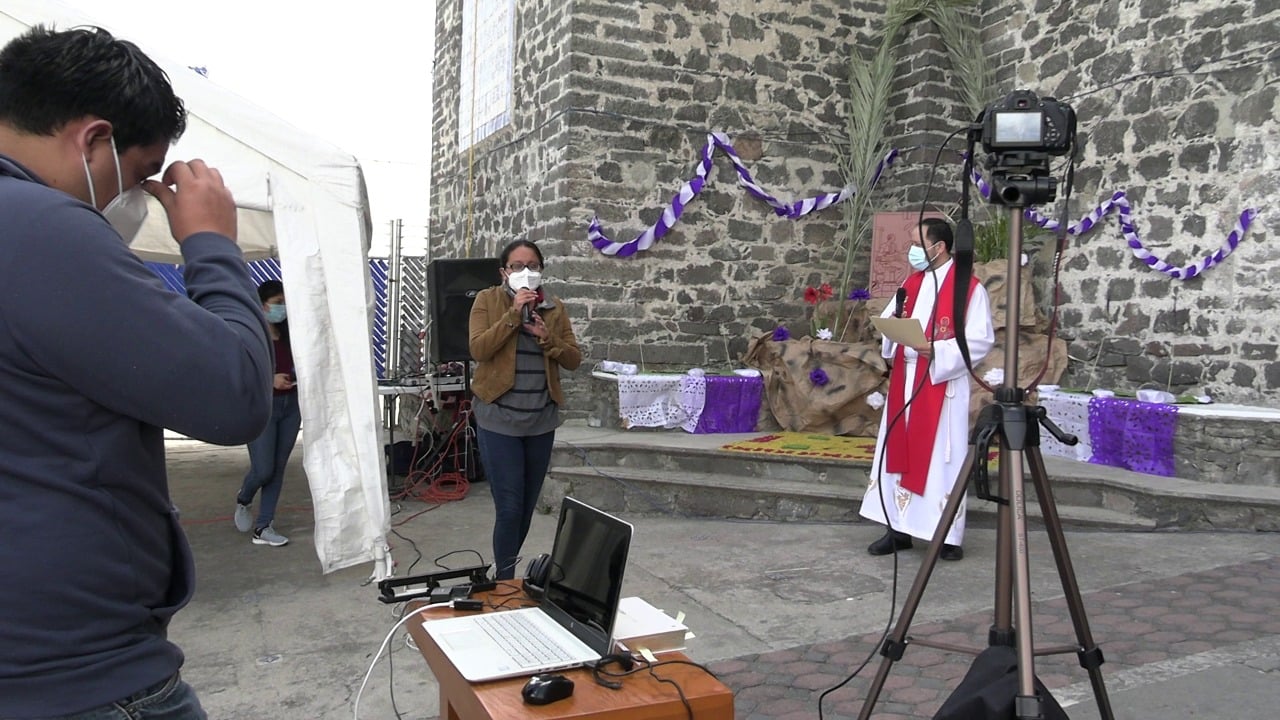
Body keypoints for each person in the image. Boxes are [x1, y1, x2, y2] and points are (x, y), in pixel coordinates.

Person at [0, 26, 273, 719]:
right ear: (93, 141)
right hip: (76, 676)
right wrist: (211, 241)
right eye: (138, 172)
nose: (134, 199)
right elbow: (233, 396)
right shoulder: (41, 228)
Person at [858, 217, 995, 562]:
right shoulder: (912, 281)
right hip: (906, 380)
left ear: (940, 247)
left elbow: (980, 341)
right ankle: (898, 529)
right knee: (898, 453)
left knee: (939, 461)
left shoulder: (968, 288)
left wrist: (938, 350)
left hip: (941, 384)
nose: (913, 251)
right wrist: (893, 333)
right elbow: (892, 322)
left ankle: (946, 534)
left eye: (919, 244)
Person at [469, 239, 581, 580]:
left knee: (526, 508)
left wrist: (548, 337)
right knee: (510, 506)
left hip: (540, 420)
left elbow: (574, 359)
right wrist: (513, 315)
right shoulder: (487, 300)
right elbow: (479, 349)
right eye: (517, 266)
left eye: (532, 265)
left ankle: (504, 571)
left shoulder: (555, 307)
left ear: (542, 270)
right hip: (499, 418)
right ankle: (504, 582)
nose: (526, 272)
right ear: (504, 271)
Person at [234, 279, 300, 547]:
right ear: (262, 304)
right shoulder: (250, 334)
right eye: (277, 304)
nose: (282, 309)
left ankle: (264, 526)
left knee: (278, 468)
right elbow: (240, 372)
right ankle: (244, 497)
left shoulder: (290, 334)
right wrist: (270, 379)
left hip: (291, 406)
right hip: (264, 407)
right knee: (263, 469)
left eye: (285, 304)